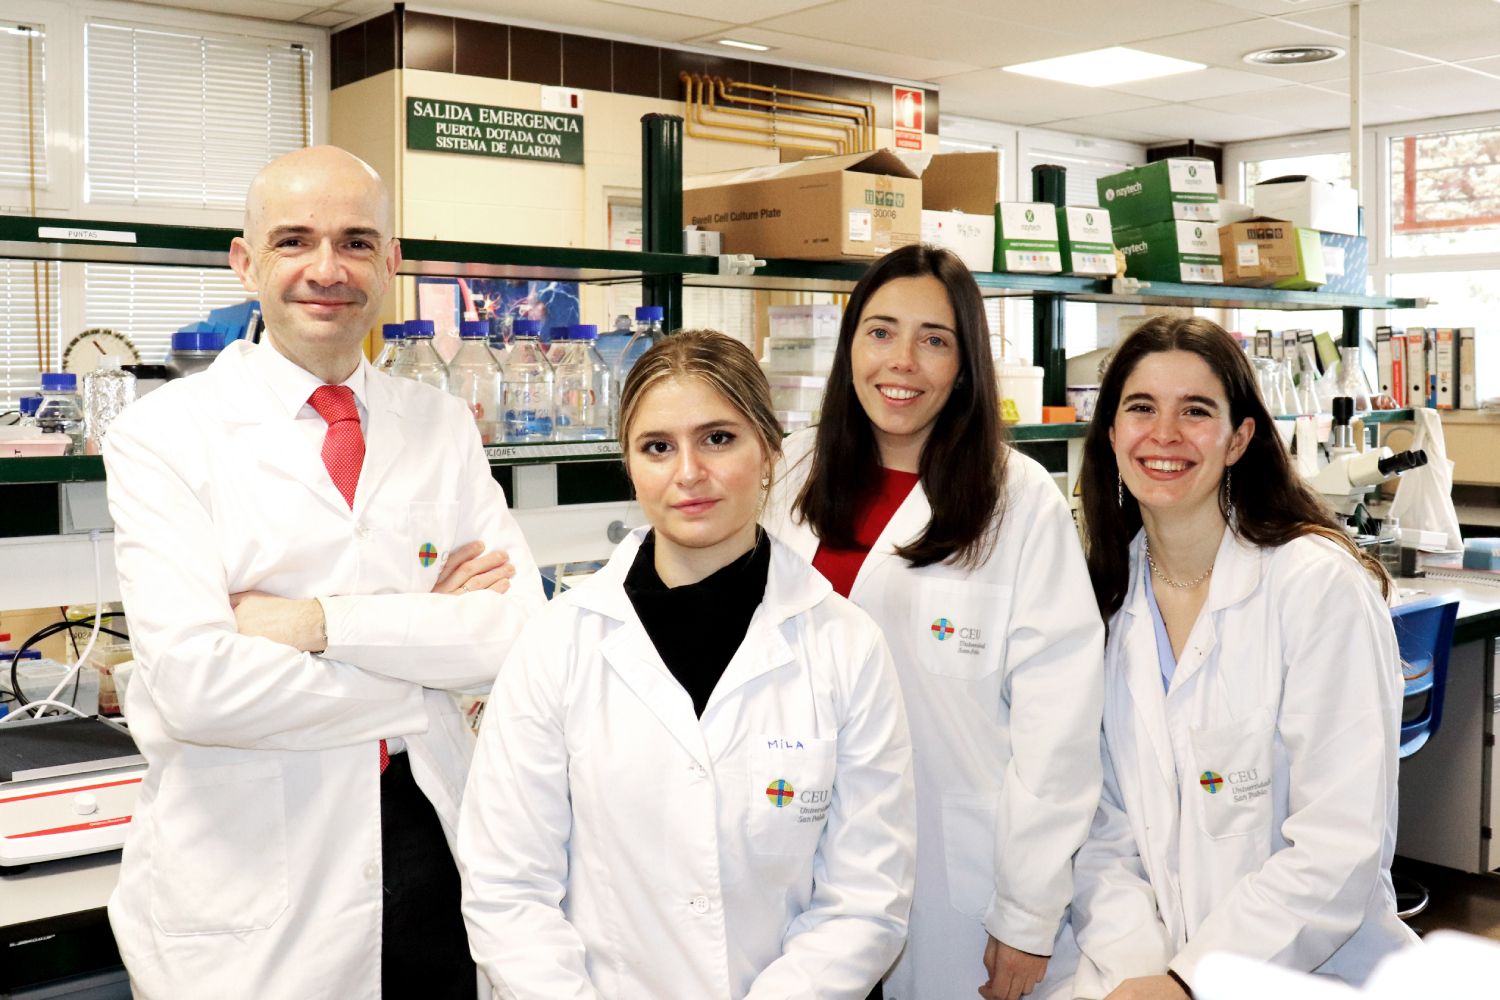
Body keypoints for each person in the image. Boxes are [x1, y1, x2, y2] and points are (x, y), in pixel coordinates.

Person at [103, 145, 545, 1000]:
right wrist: (427, 670)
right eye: (294, 240)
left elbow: (515, 634)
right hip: (252, 895)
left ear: (390, 264)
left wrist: (313, 625)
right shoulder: (164, 436)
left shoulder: (442, 423)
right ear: (246, 262)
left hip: (433, 859)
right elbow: (199, 688)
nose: (326, 269)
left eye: (354, 241)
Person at [458, 330, 917, 998]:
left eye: (718, 438)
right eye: (657, 447)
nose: (688, 473)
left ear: (768, 449)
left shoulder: (846, 646)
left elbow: (865, 898)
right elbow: (508, 887)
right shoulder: (556, 645)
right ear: (630, 464)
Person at [764, 244, 1105, 1000]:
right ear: (850, 344)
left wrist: (1027, 912)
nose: (903, 362)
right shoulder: (791, 475)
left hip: (954, 880)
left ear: (965, 365)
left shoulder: (1018, 502)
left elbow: (1061, 732)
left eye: (935, 340)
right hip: (798, 853)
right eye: (881, 332)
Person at [1069, 316, 1417, 999]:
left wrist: (1191, 980)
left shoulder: (1316, 589)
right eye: (1141, 408)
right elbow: (1106, 835)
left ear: (1239, 439)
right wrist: (1143, 973)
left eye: (1195, 411)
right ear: (1111, 435)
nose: (1164, 434)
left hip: (1313, 975)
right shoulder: (1105, 604)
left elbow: (1337, 850)